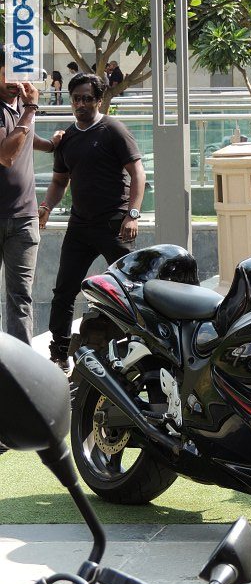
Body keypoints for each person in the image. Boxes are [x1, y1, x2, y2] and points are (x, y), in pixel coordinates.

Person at [39, 73, 146, 372]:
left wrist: (132, 214)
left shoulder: (113, 130)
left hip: (115, 224)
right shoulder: (67, 139)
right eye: (76, 99)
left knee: (131, 290)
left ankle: (139, 350)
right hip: (80, 226)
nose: (81, 104)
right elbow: (59, 181)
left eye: (87, 98)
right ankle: (60, 353)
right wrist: (46, 206)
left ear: (99, 100)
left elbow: (138, 173)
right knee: (63, 292)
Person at [0, 50, 64, 344]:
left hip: (24, 219)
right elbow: (6, 154)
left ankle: (21, 365)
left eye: (20, 76)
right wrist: (31, 109)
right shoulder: (25, 109)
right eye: (8, 75)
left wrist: (51, 145)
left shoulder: (21, 109)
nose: (16, 83)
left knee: (21, 298)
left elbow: (24, 136)